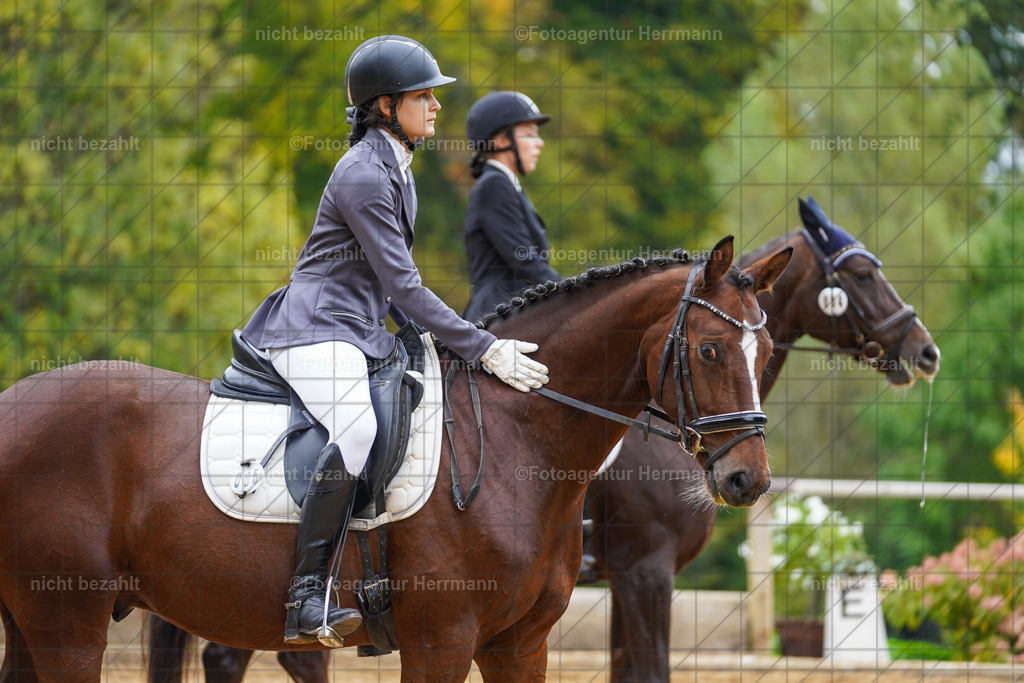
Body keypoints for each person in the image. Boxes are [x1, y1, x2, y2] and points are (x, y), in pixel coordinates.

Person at [240, 35, 550, 648]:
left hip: (358, 329)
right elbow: (403, 284)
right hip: (316, 327)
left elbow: (392, 288)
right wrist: (482, 346)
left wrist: (430, 340)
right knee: (356, 429)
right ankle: (305, 595)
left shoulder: (394, 168)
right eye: (423, 96)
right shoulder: (363, 173)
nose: (436, 106)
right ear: (385, 105)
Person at [461, 91, 560, 322]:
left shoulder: (507, 184)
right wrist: (574, 291)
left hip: (514, 312)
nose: (540, 143)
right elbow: (524, 259)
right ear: (501, 140)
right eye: (529, 134)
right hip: (497, 316)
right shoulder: (494, 184)